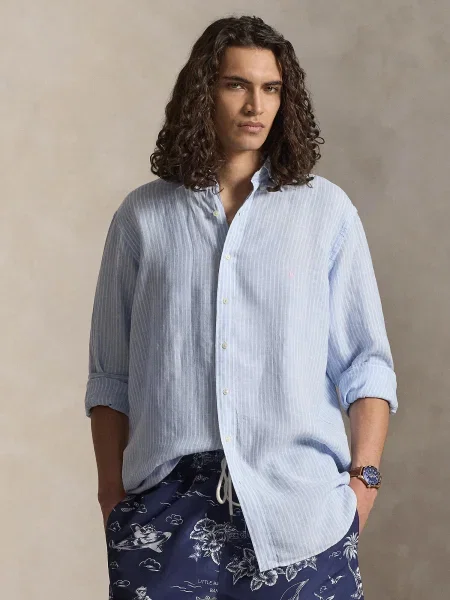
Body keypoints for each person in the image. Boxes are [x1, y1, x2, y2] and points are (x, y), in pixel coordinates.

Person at [85, 15, 398, 600]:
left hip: (302, 514)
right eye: (237, 85)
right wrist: (112, 499)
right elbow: (110, 378)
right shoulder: (142, 218)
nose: (256, 105)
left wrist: (364, 485)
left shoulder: (325, 213)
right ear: (202, 92)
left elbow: (366, 364)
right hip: (166, 517)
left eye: (271, 88)